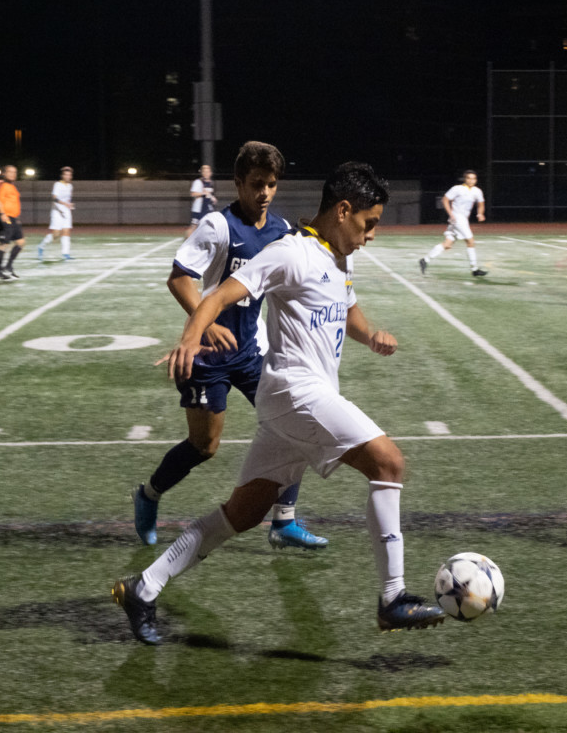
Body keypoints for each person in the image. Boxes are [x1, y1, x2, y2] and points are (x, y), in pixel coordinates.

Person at [113, 161, 444, 644]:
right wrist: (191, 336)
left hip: (293, 404)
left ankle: (144, 587)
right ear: (344, 210)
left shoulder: (337, 257)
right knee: (388, 462)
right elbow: (218, 295)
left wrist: (370, 334)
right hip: (296, 391)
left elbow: (345, 306)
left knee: (241, 515)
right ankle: (392, 597)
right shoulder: (290, 252)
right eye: (369, 223)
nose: (372, 234)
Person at [132, 141, 327, 551]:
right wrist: (207, 320)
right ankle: (148, 495)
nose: (265, 193)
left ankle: (284, 522)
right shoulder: (218, 227)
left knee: (294, 427)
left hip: (252, 352)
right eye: (257, 184)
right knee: (205, 446)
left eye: (272, 185)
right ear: (238, 183)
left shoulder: (281, 231)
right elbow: (179, 277)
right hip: (208, 357)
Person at [419, 170, 488, 277]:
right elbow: (445, 199)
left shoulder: (477, 191)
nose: (471, 180)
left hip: (463, 219)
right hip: (457, 218)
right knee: (470, 241)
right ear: (465, 179)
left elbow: (481, 204)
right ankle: (474, 269)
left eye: (473, 178)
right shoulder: (457, 188)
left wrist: (480, 213)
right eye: (469, 178)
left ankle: (425, 260)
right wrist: (451, 214)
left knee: (447, 244)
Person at [0, 165, 25, 280]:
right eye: (10, 172)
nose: (12, 174)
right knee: (4, 244)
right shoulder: (2, 185)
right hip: (5, 218)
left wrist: (16, 217)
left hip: (13, 218)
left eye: (14, 172)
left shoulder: (12, 186)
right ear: (4, 173)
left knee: (20, 242)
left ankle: (8, 267)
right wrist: (2, 214)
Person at [37, 167, 75, 261]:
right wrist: (64, 204)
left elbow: (68, 198)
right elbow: (54, 198)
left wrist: (69, 204)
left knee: (66, 232)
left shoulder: (70, 186)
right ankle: (41, 246)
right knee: (56, 235)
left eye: (69, 175)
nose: (68, 176)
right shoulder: (57, 184)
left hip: (66, 211)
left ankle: (66, 254)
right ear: (62, 176)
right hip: (57, 211)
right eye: (66, 174)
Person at [185, 164, 218, 238]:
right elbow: (193, 194)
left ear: (211, 173)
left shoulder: (211, 183)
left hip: (208, 209)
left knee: (210, 227)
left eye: (208, 171)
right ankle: (186, 244)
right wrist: (203, 193)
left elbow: (208, 194)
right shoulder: (198, 182)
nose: (206, 173)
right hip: (198, 210)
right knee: (194, 227)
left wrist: (213, 198)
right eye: (205, 172)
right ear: (202, 173)